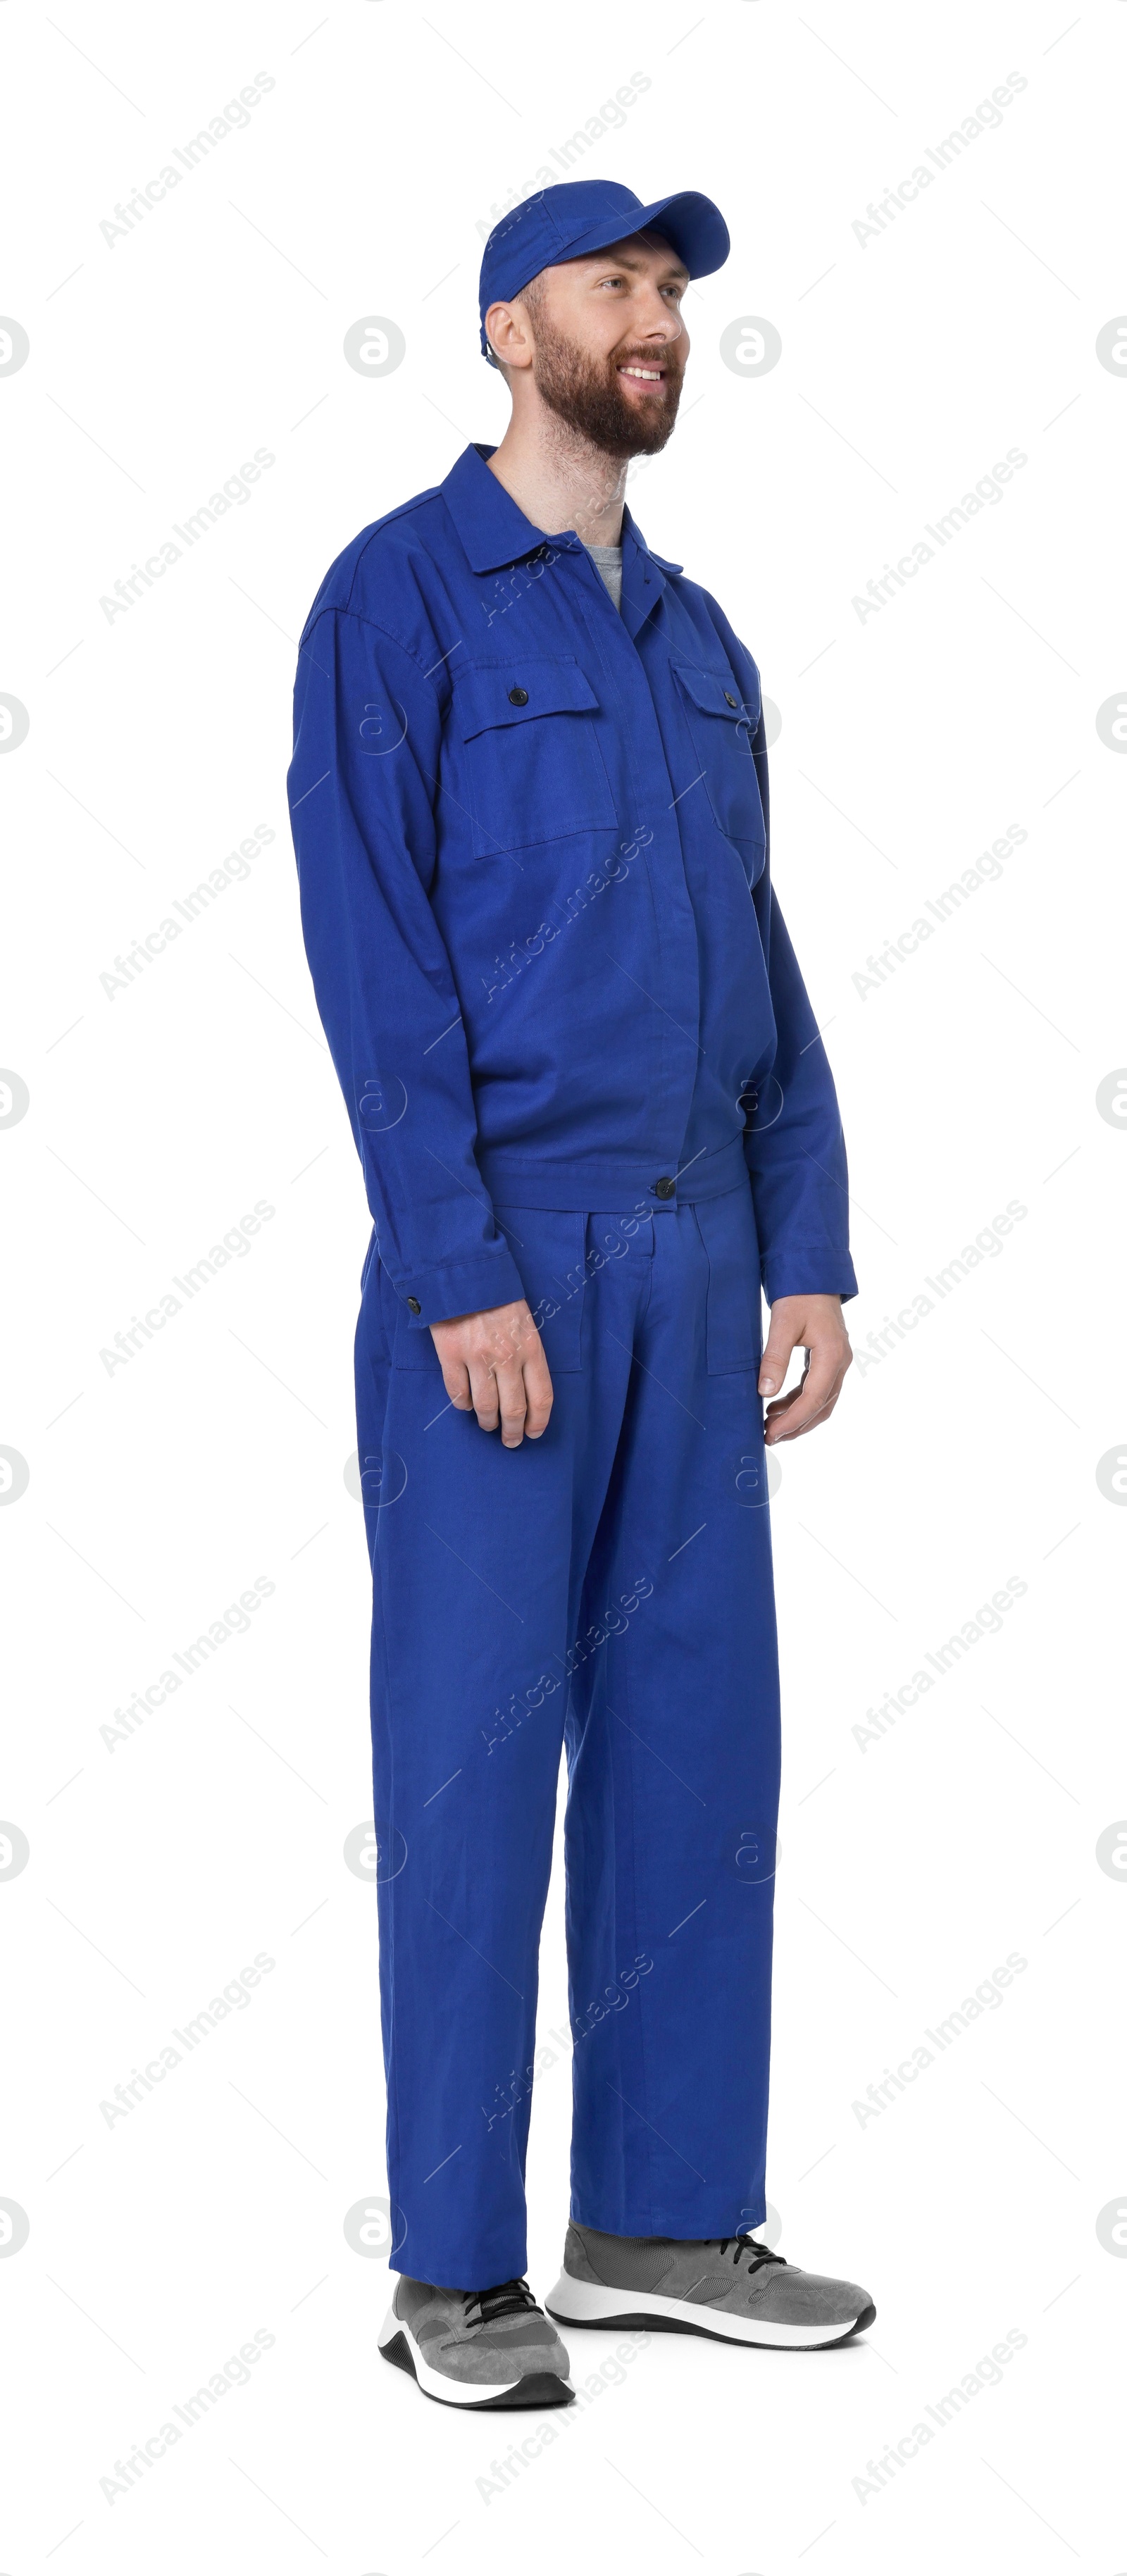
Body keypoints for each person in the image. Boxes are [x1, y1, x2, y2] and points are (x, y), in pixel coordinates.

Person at [287, 178, 874, 2410]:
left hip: (703, 1246)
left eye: (674, 295)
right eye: (618, 287)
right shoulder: (401, 599)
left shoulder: (698, 639)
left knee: (698, 1746)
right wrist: (455, 1268)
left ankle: (651, 2219)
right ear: (503, 323)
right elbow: (378, 960)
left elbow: (760, 947)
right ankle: (453, 2268)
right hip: (507, 1261)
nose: (658, 323)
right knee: (470, 1758)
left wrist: (805, 1230)